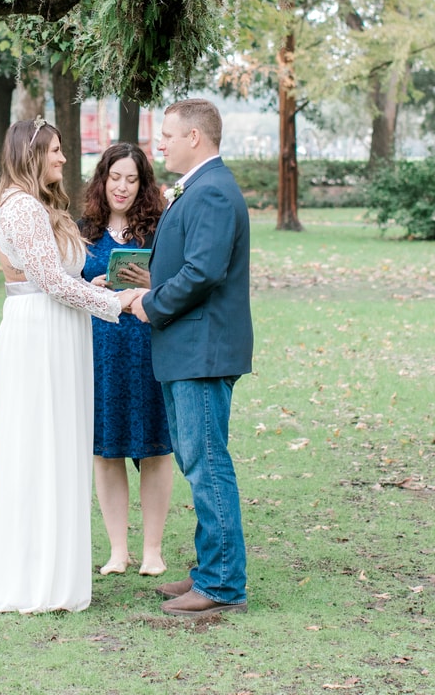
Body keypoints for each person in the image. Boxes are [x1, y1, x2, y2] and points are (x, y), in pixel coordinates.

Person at [0, 120, 148, 614]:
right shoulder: (23, 207)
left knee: (59, 448)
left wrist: (100, 286)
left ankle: (53, 573)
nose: (64, 158)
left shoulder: (43, 205)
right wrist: (118, 304)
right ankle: (35, 581)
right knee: (38, 449)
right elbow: (49, 282)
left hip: (59, 328)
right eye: (54, 150)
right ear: (31, 154)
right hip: (40, 333)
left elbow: (60, 277)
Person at [128, 98, 252, 617]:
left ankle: (222, 586)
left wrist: (150, 304)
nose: (162, 145)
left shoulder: (214, 193)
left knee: (207, 464)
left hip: (202, 350)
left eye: (169, 136)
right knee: (195, 460)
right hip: (187, 349)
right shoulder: (199, 189)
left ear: (195, 138)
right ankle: (208, 570)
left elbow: (204, 273)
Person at [79, 143, 173, 577]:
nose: (122, 187)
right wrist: (93, 286)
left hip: (149, 348)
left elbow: (178, 285)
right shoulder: (83, 230)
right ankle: (119, 550)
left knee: (155, 449)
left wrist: (151, 281)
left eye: (131, 179)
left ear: (143, 184)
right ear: (102, 180)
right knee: (107, 450)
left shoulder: (159, 229)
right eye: (115, 178)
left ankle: (152, 549)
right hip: (101, 352)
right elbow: (64, 285)